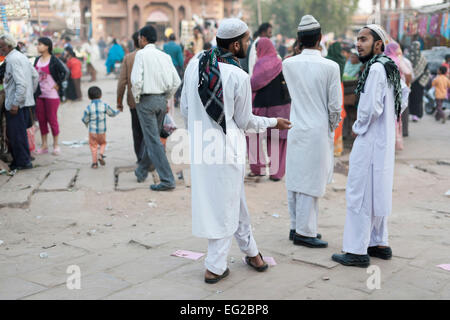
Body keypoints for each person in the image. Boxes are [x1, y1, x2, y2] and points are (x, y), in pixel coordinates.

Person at [181, 18, 291, 284]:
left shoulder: (195, 65)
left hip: (201, 148)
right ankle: (215, 267)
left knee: (231, 200)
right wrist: (273, 122)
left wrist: (198, 135)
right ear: (235, 43)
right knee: (223, 207)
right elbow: (245, 122)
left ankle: (252, 252)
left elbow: (185, 108)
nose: (248, 43)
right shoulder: (238, 75)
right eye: (246, 39)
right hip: (227, 151)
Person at [332, 25, 409, 267]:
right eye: (357, 39)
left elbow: (370, 109)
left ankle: (356, 250)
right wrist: (388, 120)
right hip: (383, 141)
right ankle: (378, 243)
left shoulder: (376, 68)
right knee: (378, 192)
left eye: (364, 39)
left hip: (370, 140)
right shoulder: (390, 65)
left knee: (360, 194)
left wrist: (358, 128)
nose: (358, 43)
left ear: (378, 43)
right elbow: (403, 97)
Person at [282, 15, 342, 248]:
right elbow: (335, 107)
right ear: (319, 39)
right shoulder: (331, 67)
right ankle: (305, 233)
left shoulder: (288, 63)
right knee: (311, 181)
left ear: (299, 40)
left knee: (296, 178)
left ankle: (296, 226)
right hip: (317, 129)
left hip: (296, 126)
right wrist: (330, 126)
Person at [130, 25, 181, 191]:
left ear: (143, 39)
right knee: (152, 139)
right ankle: (142, 170)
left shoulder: (141, 55)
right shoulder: (164, 56)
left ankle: (167, 180)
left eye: (139, 38)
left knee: (153, 141)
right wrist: (166, 97)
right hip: (161, 100)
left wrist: (138, 98)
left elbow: (136, 81)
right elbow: (176, 82)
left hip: (146, 100)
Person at [247, 38, 291, 181]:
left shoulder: (260, 63)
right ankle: (276, 173)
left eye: (256, 50)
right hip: (280, 106)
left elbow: (254, 83)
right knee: (277, 139)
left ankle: (257, 168)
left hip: (260, 105)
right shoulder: (280, 62)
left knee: (253, 136)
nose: (256, 52)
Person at [0, 34, 38, 170]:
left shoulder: (12, 59)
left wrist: (16, 102)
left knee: (17, 135)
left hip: (16, 104)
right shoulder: (20, 56)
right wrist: (28, 95)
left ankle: (23, 162)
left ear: (9, 46)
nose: (0, 49)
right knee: (18, 134)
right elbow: (34, 76)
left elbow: (21, 83)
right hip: (23, 102)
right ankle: (21, 160)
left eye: (2, 46)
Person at [33, 37, 68, 156]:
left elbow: (65, 72)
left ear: (47, 46)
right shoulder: (37, 59)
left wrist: (58, 84)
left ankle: (56, 145)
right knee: (41, 120)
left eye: (40, 44)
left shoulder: (54, 60)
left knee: (52, 120)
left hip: (52, 95)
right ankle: (44, 145)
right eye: (38, 44)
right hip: (39, 94)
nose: (38, 46)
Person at [117, 32, 144, 163]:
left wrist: (119, 101)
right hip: (153, 100)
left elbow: (122, 82)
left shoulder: (129, 58)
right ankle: (149, 158)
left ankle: (140, 158)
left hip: (134, 100)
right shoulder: (156, 56)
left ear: (134, 42)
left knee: (137, 131)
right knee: (150, 131)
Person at [82, 86, 120, 168]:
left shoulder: (88, 108)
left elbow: (85, 119)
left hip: (92, 132)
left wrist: (86, 123)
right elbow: (112, 114)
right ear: (101, 95)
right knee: (103, 143)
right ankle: (101, 154)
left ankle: (95, 163)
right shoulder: (104, 105)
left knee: (93, 146)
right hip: (102, 131)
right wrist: (118, 111)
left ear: (89, 97)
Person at [385, 42, 412, 139]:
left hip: (385, 88)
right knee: (397, 111)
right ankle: (395, 137)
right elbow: (408, 73)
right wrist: (407, 85)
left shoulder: (383, 59)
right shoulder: (398, 60)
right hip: (397, 88)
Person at [407, 41, 431, 122]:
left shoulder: (410, 57)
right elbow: (427, 72)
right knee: (414, 99)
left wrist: (422, 82)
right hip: (414, 82)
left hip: (414, 82)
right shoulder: (420, 58)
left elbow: (427, 72)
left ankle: (413, 114)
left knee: (414, 99)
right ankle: (413, 114)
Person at [163, 33, 184, 108]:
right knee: (176, 82)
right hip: (176, 67)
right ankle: (176, 98)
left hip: (166, 66)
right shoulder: (178, 47)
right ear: (175, 39)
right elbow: (180, 59)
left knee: (168, 82)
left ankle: (168, 99)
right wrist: (182, 67)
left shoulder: (165, 46)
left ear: (169, 39)